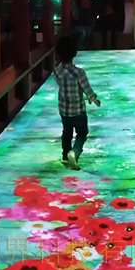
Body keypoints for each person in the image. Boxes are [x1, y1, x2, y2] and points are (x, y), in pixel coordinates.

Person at [53, 36, 101, 170]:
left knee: (67, 132)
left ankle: (65, 156)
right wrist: (94, 99)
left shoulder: (56, 71)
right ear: (74, 53)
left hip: (64, 110)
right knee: (82, 133)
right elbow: (87, 89)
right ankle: (74, 152)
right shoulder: (79, 73)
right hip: (79, 110)